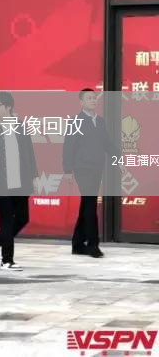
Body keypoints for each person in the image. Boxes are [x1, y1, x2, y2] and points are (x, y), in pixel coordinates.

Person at [0, 92, 38, 271]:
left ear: (9, 107)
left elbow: (29, 153)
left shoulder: (21, 127)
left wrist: (34, 176)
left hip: (20, 182)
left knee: (23, 218)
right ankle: (7, 260)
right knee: (6, 219)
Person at [63, 88, 119, 258]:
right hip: (83, 169)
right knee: (90, 205)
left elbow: (107, 143)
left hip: (97, 169)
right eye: (89, 98)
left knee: (86, 205)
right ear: (81, 102)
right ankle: (93, 245)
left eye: (94, 98)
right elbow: (68, 146)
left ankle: (78, 244)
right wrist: (67, 170)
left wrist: (118, 159)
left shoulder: (100, 121)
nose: (93, 101)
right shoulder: (75, 121)